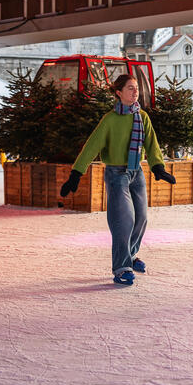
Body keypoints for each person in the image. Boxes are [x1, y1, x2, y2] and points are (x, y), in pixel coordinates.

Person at [59, 74, 175, 286]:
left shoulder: (142, 117)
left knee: (141, 218)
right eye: (130, 88)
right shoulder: (110, 120)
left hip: (136, 172)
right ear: (119, 93)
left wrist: (158, 167)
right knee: (123, 220)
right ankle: (122, 267)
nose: (135, 92)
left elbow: (151, 144)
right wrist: (76, 173)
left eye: (136, 88)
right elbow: (92, 145)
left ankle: (131, 254)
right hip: (116, 174)